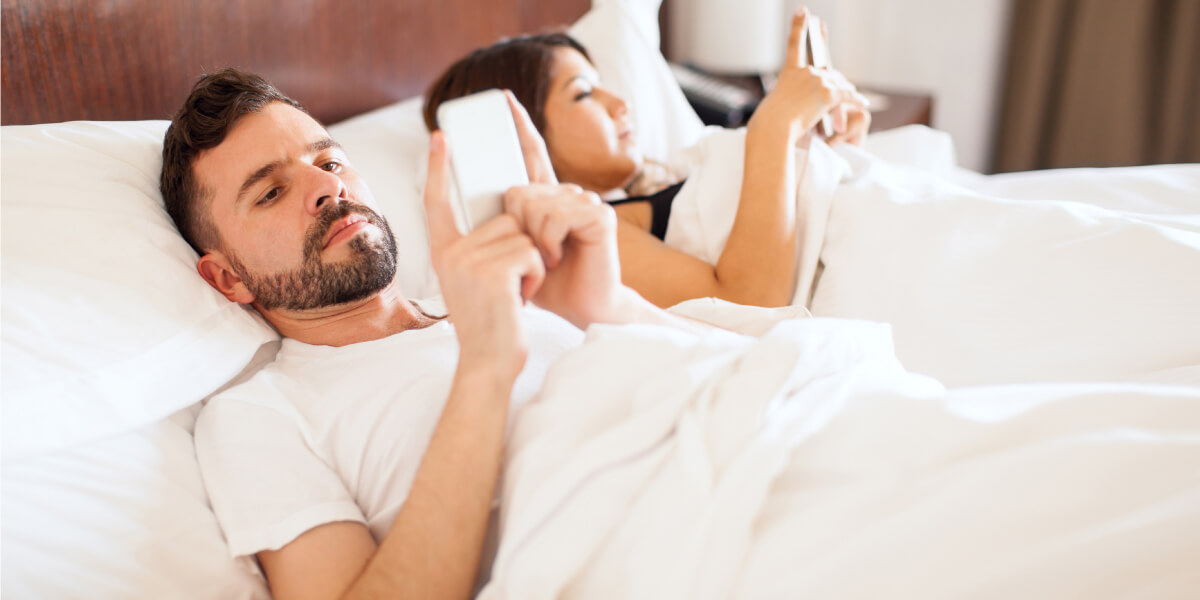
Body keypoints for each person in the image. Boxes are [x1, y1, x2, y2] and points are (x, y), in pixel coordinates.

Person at [161, 63, 706, 599]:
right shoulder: (260, 416)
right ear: (228, 278)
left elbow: (750, 360)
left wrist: (607, 306)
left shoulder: (518, 288)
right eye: (270, 193)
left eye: (330, 160)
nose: (328, 186)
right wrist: (484, 371)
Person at [424, 8, 870, 308]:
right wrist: (775, 126)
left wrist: (833, 147)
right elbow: (749, 302)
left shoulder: (666, 178)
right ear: (524, 140)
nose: (620, 104)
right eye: (582, 94)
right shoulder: (590, 236)